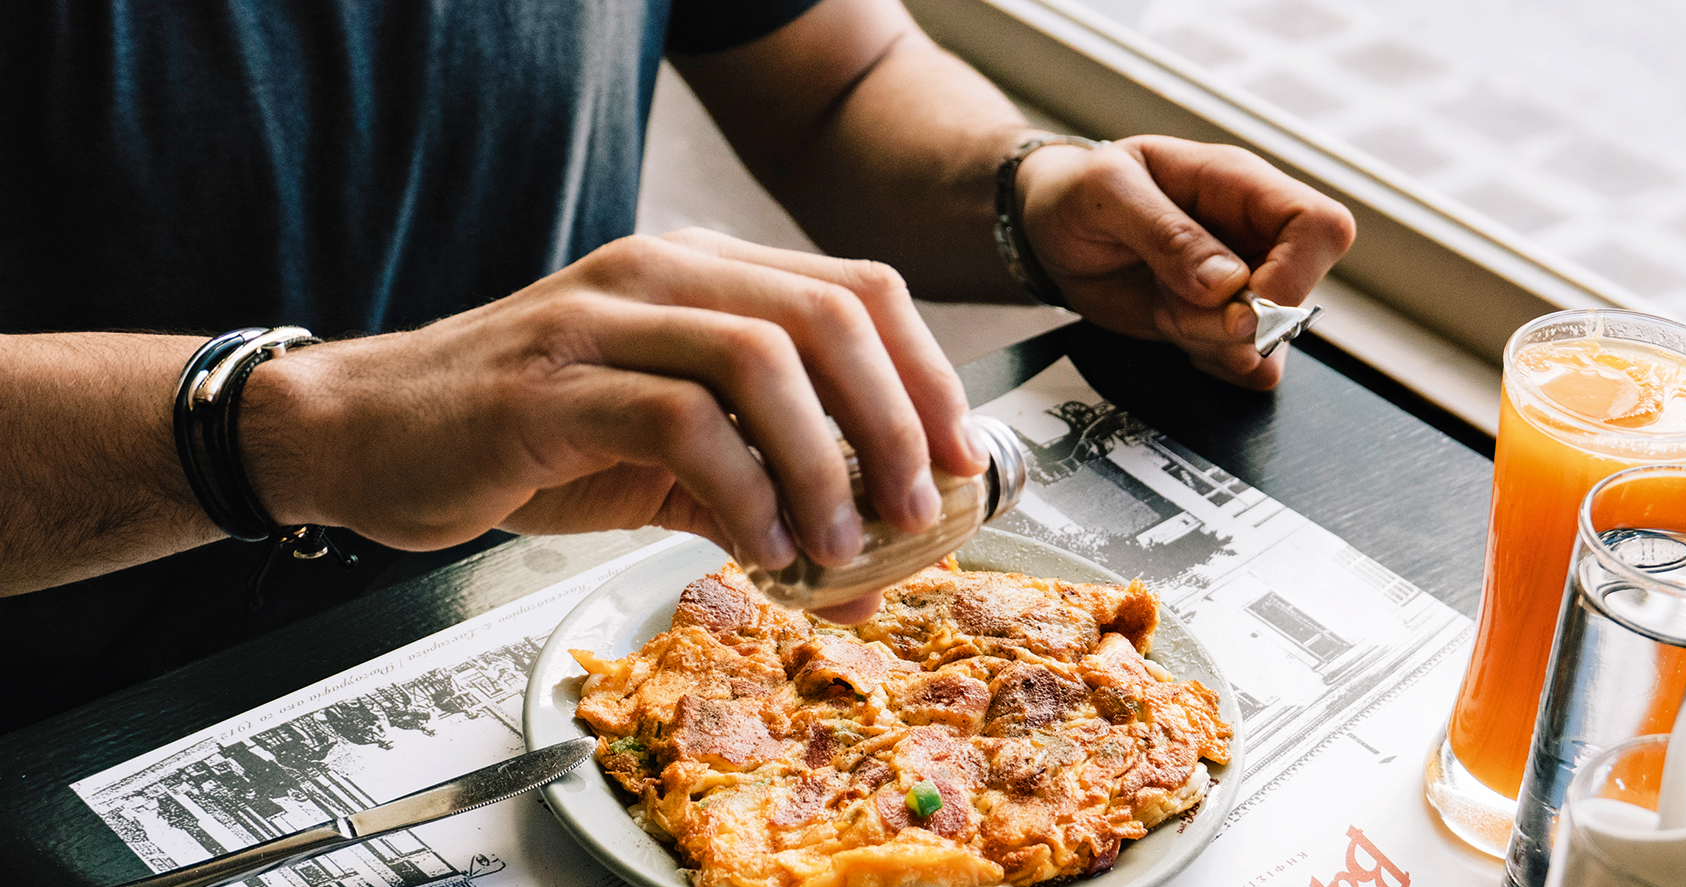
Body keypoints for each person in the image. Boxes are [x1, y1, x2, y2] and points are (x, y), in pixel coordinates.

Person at [0, 0, 1354, 732]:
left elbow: (833, 67)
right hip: (62, 738)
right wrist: (312, 429)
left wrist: (1026, 196)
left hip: (537, 654)